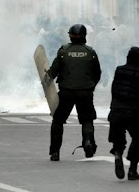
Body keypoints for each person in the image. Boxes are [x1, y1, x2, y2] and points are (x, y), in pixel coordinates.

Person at [42, 24, 101, 161]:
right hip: (85, 93)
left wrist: (45, 83)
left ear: (70, 36)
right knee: (87, 120)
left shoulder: (63, 51)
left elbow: (53, 72)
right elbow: (97, 73)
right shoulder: (90, 52)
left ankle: (55, 152)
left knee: (58, 121)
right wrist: (91, 87)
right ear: (84, 36)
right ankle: (87, 143)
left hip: (66, 92)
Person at [107, 47, 139, 180]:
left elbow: (114, 89)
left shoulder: (119, 70)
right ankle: (132, 170)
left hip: (117, 110)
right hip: (134, 112)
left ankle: (117, 154)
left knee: (118, 138)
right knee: (138, 139)